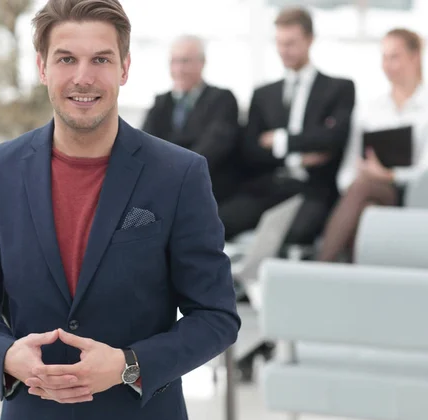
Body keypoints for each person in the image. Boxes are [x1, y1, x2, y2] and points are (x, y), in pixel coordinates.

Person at [0, 0, 240, 420]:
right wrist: (6, 354)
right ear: (42, 67)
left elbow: (216, 317)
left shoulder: (180, 173)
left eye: (100, 59)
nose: (82, 77)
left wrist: (129, 365)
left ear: (124, 68)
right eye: (66, 58)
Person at [219, 6, 355, 246]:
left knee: (295, 234)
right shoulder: (263, 94)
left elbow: (333, 139)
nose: (284, 50)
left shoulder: (339, 89)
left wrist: (279, 140)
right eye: (279, 43)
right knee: (219, 221)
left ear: (310, 40)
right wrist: (299, 156)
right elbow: (251, 149)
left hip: (314, 190)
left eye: (291, 43)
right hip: (270, 186)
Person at [318, 28, 428, 262]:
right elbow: (350, 166)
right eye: (384, 57)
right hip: (368, 190)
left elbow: (424, 173)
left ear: (415, 56)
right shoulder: (371, 108)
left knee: (364, 191)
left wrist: (389, 175)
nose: (387, 65)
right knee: (364, 202)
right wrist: (355, 186)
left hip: (411, 193)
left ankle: (321, 267)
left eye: (394, 56)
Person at [141, 34, 244, 203]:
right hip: (166, 188)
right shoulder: (162, 102)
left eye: (185, 61)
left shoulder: (222, 99)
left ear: (202, 63)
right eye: (174, 62)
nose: (179, 69)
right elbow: (144, 144)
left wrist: (171, 174)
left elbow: (211, 149)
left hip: (209, 189)